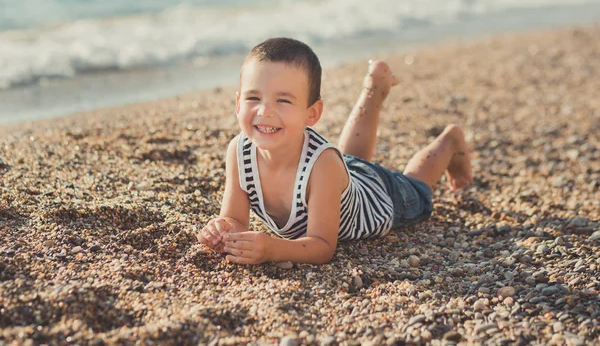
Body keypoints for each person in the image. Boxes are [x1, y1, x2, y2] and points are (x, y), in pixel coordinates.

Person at [197, 38, 472, 265]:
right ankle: (374, 89)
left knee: (416, 189)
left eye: (283, 100)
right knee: (350, 160)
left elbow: (322, 246)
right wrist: (222, 229)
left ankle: (449, 143)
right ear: (237, 103)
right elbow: (235, 219)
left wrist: (271, 249)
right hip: (343, 176)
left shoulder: (323, 165)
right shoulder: (239, 151)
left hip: (380, 198)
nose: (264, 111)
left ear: (312, 113)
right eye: (253, 98)